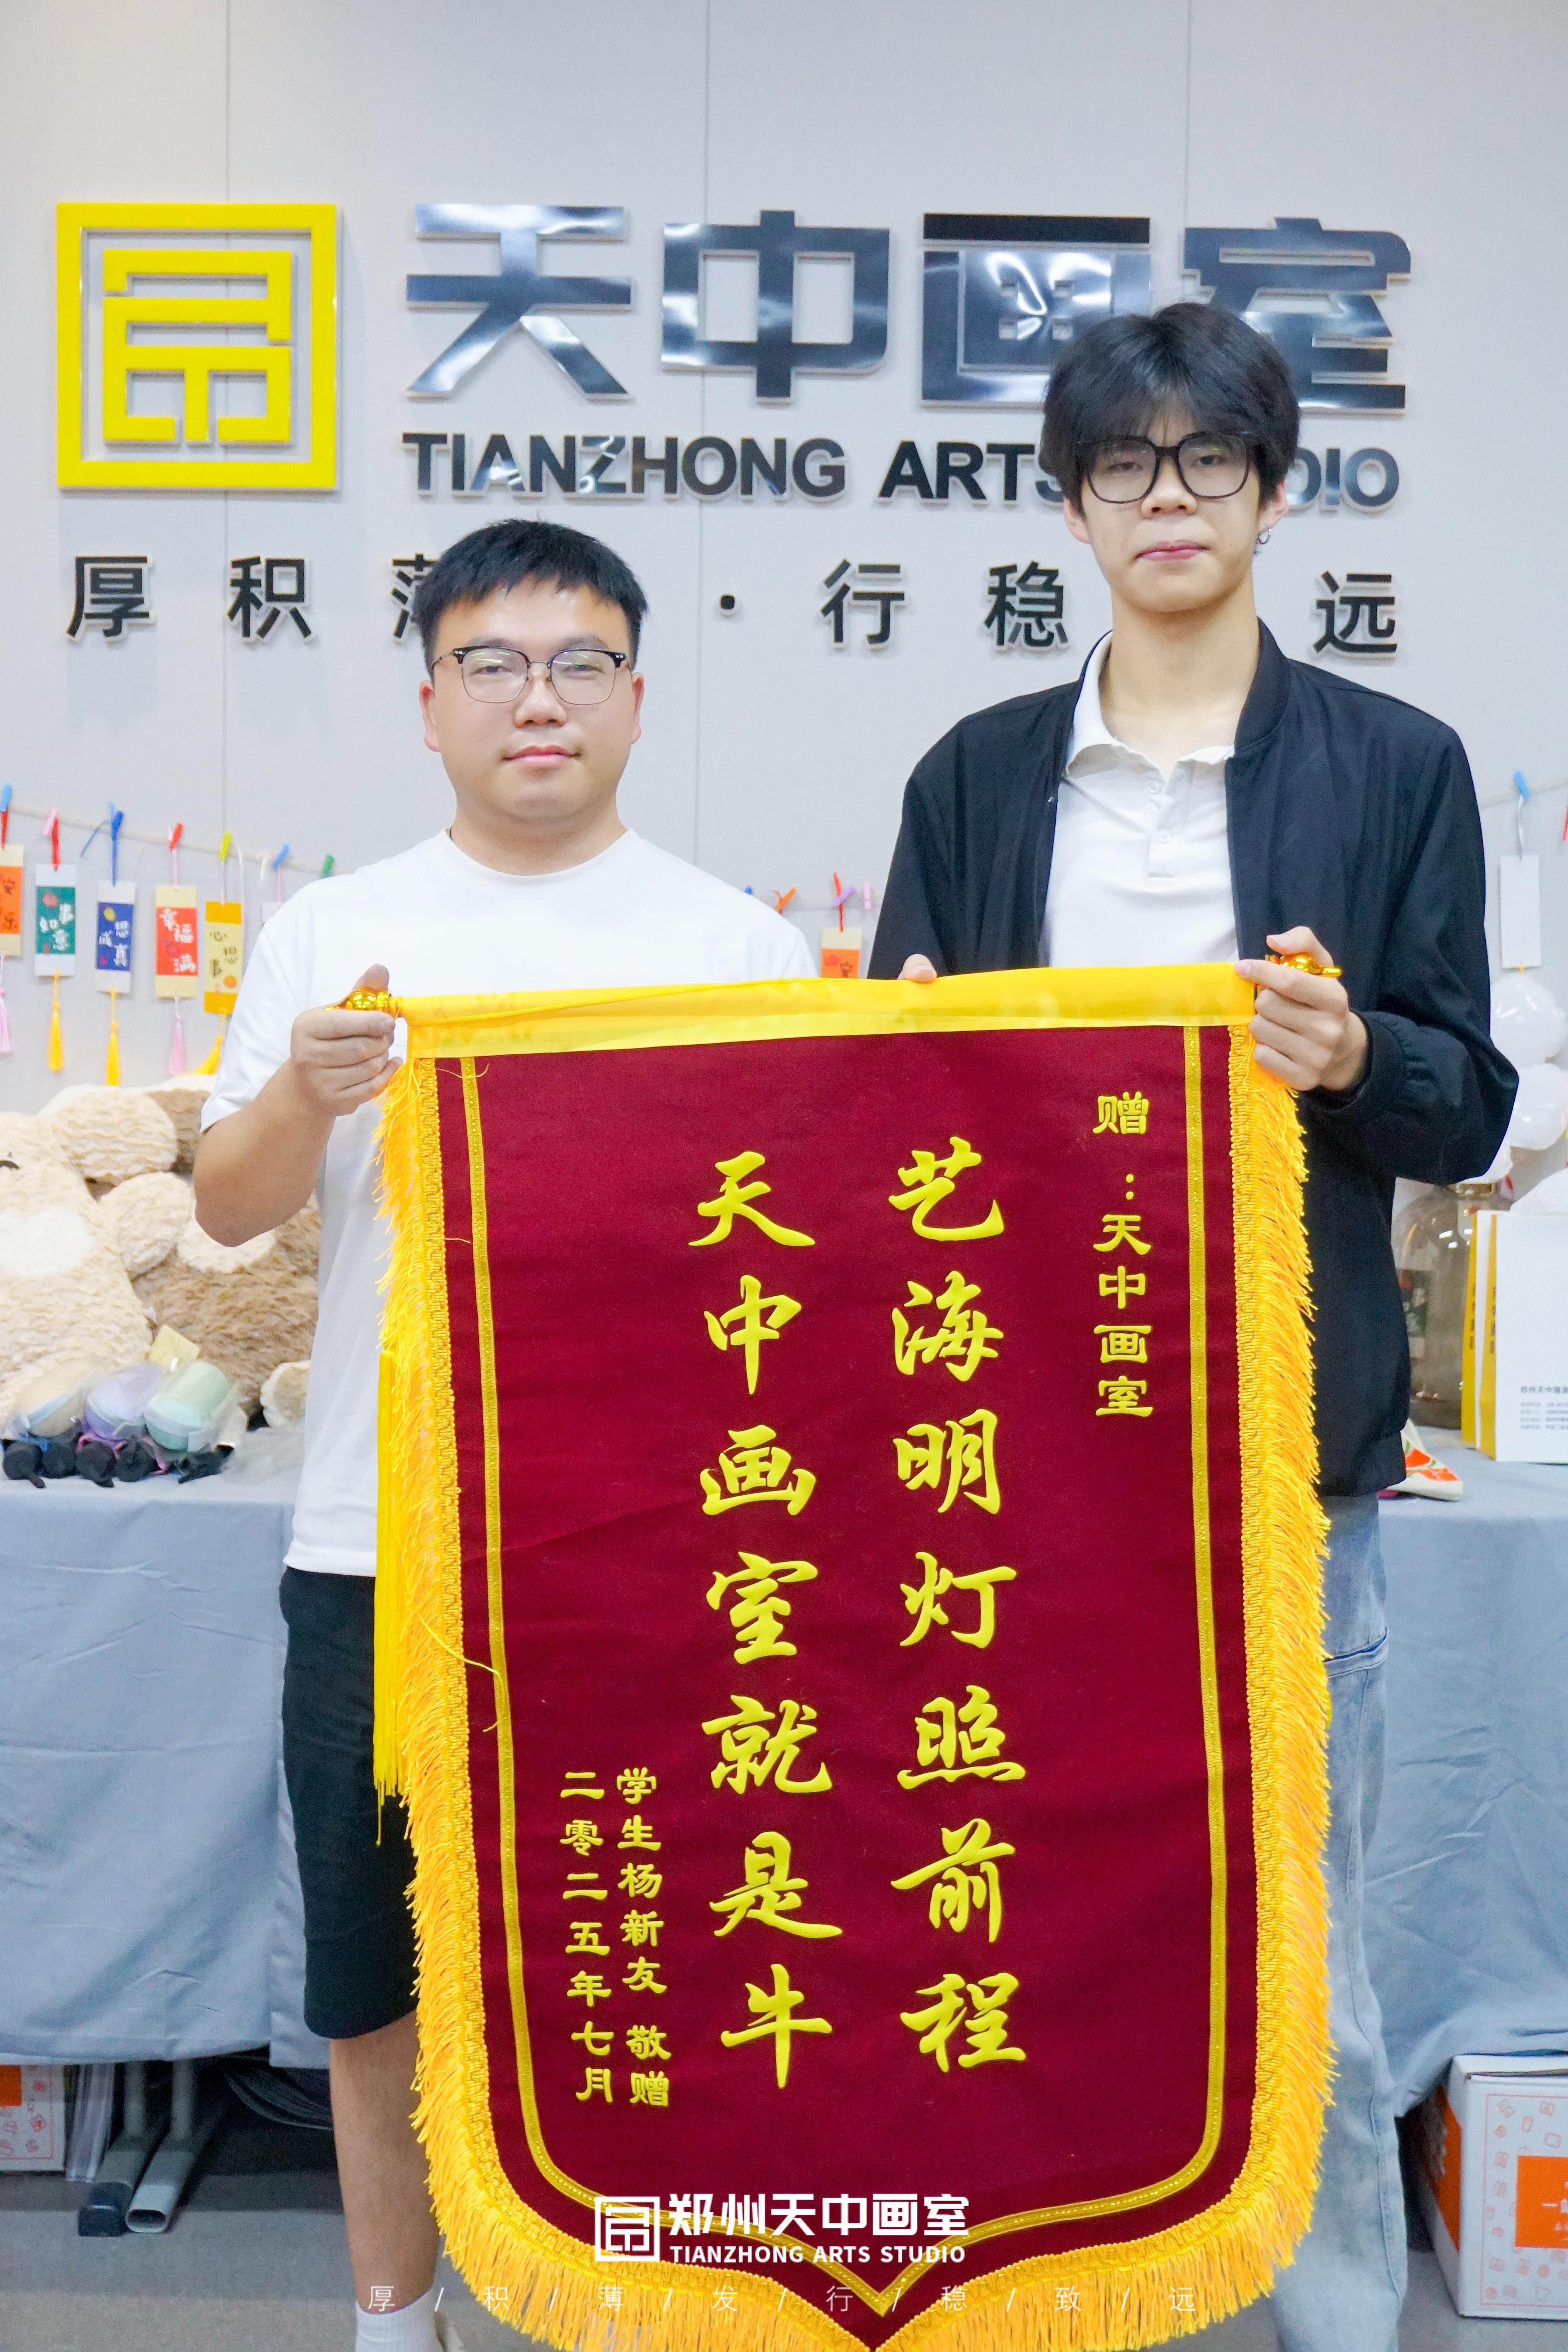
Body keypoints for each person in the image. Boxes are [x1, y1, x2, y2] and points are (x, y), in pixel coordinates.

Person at [869, 302, 1515, 2352]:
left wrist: (1354, 1055)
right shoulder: (977, 779)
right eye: (1126, 467)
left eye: (1209, 460)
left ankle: (1331, 2322)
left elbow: (1471, 1102)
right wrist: (889, 1054)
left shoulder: (1394, 767)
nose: (1169, 499)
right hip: (1013, 1459)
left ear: (1273, 492)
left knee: (1293, 1934)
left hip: (1278, 1465)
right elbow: (887, 1117)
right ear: (1069, 507)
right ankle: (1032, 2304)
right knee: (1010, 1905)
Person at [194, 519, 812, 2352]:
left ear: (636, 695)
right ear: (428, 704)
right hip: (381, 1547)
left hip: (667, 1554)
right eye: (491, 664)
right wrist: (306, 1092)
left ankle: (659, 2305)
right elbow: (226, 1209)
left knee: (675, 1942)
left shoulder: (737, 947)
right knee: (379, 1976)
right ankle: (398, 2321)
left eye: (576, 663)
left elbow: (823, 1242)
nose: (536, 700)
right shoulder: (335, 932)